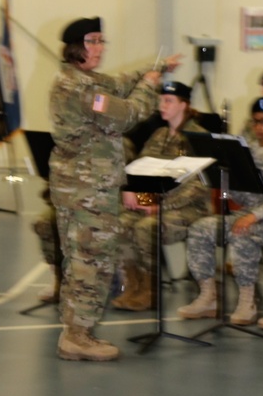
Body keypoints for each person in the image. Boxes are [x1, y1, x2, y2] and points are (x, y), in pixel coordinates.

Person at [48, 18, 175, 362]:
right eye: (92, 41)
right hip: (86, 190)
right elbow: (126, 114)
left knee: (84, 260)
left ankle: (76, 331)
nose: (100, 47)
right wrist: (150, 86)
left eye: (103, 41)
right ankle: (78, 336)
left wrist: (156, 69)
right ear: (75, 46)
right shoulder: (79, 88)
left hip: (88, 188)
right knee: (92, 261)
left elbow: (118, 83)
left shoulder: (86, 80)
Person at [177, 97, 263, 326]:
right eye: (256, 121)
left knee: (242, 231)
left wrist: (253, 216)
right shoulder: (248, 150)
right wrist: (224, 178)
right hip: (247, 213)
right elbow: (243, 194)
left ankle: (247, 301)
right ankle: (208, 296)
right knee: (200, 229)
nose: (260, 127)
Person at [114, 79, 211, 312]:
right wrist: (135, 195)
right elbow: (142, 170)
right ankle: (133, 284)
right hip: (157, 205)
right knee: (121, 224)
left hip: (190, 209)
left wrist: (159, 207)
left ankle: (150, 290)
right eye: (160, 101)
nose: (162, 106)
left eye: (168, 101)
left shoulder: (198, 137)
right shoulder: (159, 134)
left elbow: (197, 187)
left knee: (146, 228)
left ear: (184, 105)